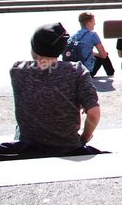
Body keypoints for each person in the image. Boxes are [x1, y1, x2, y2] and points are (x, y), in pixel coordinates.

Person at [9, 23, 100, 156]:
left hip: (28, 147)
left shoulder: (17, 70)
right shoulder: (77, 71)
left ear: (34, 46)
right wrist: (84, 139)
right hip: (68, 147)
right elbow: (94, 113)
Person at [69, 12, 114, 77]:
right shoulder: (92, 34)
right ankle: (111, 75)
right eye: (93, 22)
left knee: (98, 55)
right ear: (89, 23)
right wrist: (98, 55)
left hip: (74, 70)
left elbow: (80, 51)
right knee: (105, 55)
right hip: (87, 72)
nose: (95, 24)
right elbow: (103, 54)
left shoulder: (73, 36)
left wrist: (94, 54)